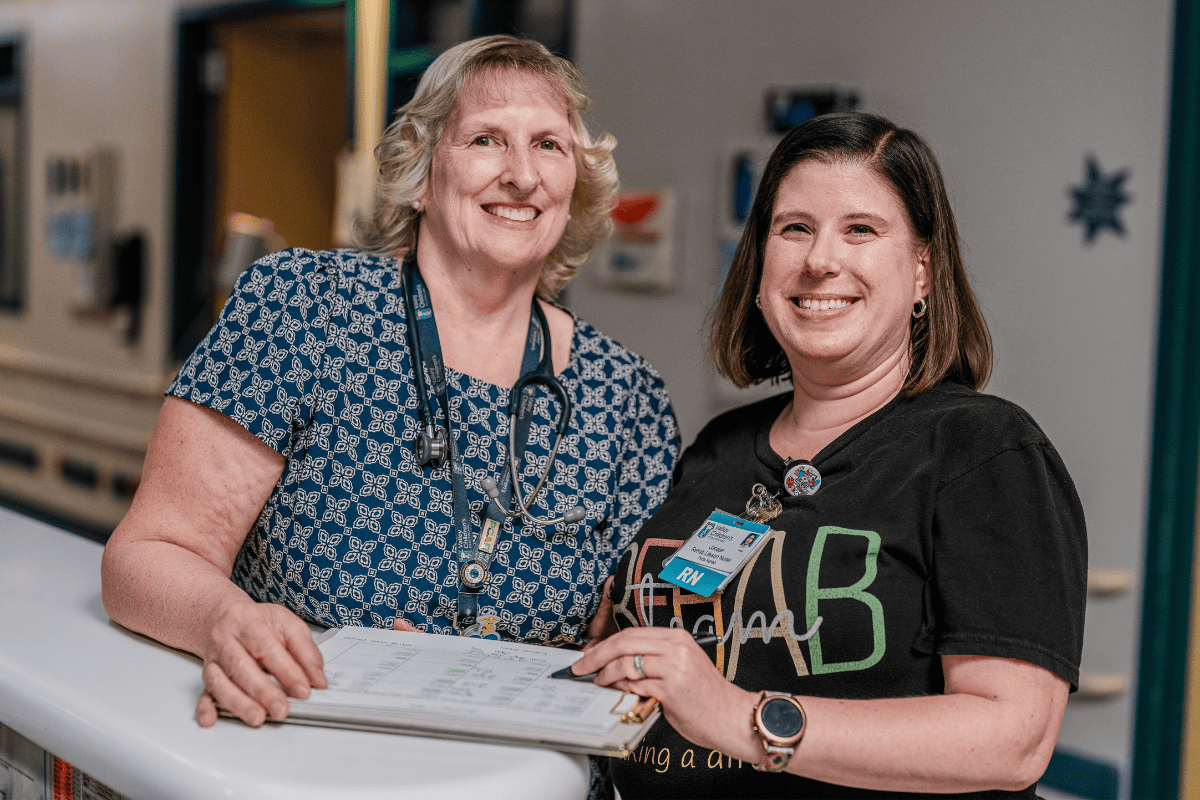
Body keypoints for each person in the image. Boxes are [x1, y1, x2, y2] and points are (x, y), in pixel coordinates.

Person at [101, 35, 678, 733]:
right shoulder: (307, 308)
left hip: (515, 773)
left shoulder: (627, 398)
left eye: (549, 146)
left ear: (576, 184)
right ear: (423, 168)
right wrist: (227, 620)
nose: (522, 176)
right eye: (487, 140)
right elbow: (146, 558)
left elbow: (621, 642)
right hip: (306, 751)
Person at [572, 111, 1086, 798]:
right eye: (795, 228)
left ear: (923, 272)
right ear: (759, 265)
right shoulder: (718, 448)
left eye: (861, 230)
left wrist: (743, 719)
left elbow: (1012, 738)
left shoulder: (984, 451)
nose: (820, 260)